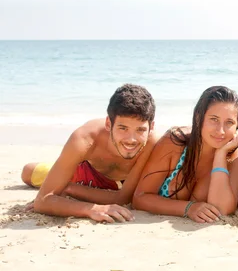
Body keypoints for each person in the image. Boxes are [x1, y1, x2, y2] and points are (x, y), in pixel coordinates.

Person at [21, 83, 158, 222]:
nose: (131, 139)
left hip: (117, 184)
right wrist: (90, 209)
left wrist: (70, 189)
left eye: (140, 130)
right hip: (87, 174)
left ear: (151, 127)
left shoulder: (152, 142)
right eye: (123, 128)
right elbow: (42, 201)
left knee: (56, 183)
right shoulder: (85, 138)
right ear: (108, 124)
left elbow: (123, 198)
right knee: (28, 172)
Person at [132, 86, 238, 223]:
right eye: (214, 119)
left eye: (229, 122)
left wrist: (220, 156)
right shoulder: (175, 142)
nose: (220, 131)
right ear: (199, 118)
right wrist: (188, 208)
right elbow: (140, 198)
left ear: (237, 127)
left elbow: (222, 210)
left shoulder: (236, 158)